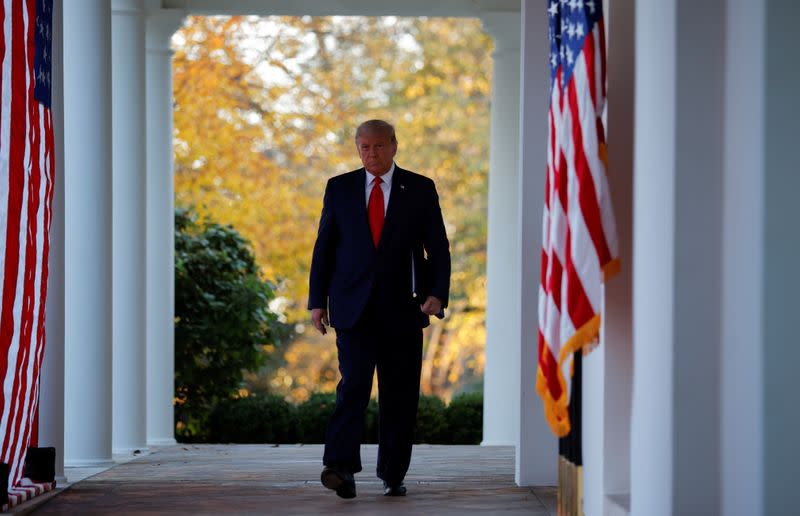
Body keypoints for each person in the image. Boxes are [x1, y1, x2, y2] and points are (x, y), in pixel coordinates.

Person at [308, 120, 451, 499]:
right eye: (364, 147)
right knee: (352, 385)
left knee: (399, 395)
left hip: (404, 307)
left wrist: (438, 292)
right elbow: (324, 248)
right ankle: (339, 468)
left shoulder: (420, 188)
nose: (372, 154)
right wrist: (316, 302)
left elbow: (438, 246)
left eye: (379, 146)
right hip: (353, 308)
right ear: (357, 149)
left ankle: (392, 472)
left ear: (394, 146)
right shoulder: (338, 188)